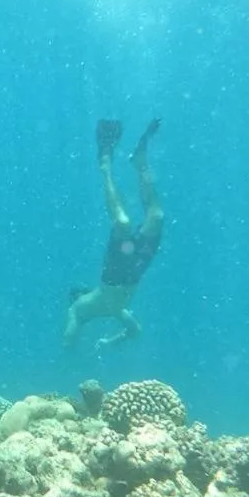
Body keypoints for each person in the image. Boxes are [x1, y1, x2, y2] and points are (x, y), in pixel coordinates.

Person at [63, 118, 163, 351]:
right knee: (157, 217)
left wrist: (70, 339)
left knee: (122, 222)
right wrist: (109, 342)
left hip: (114, 275)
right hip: (135, 272)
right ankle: (141, 163)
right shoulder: (112, 310)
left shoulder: (79, 307)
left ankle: (105, 164)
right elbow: (135, 331)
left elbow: (69, 337)